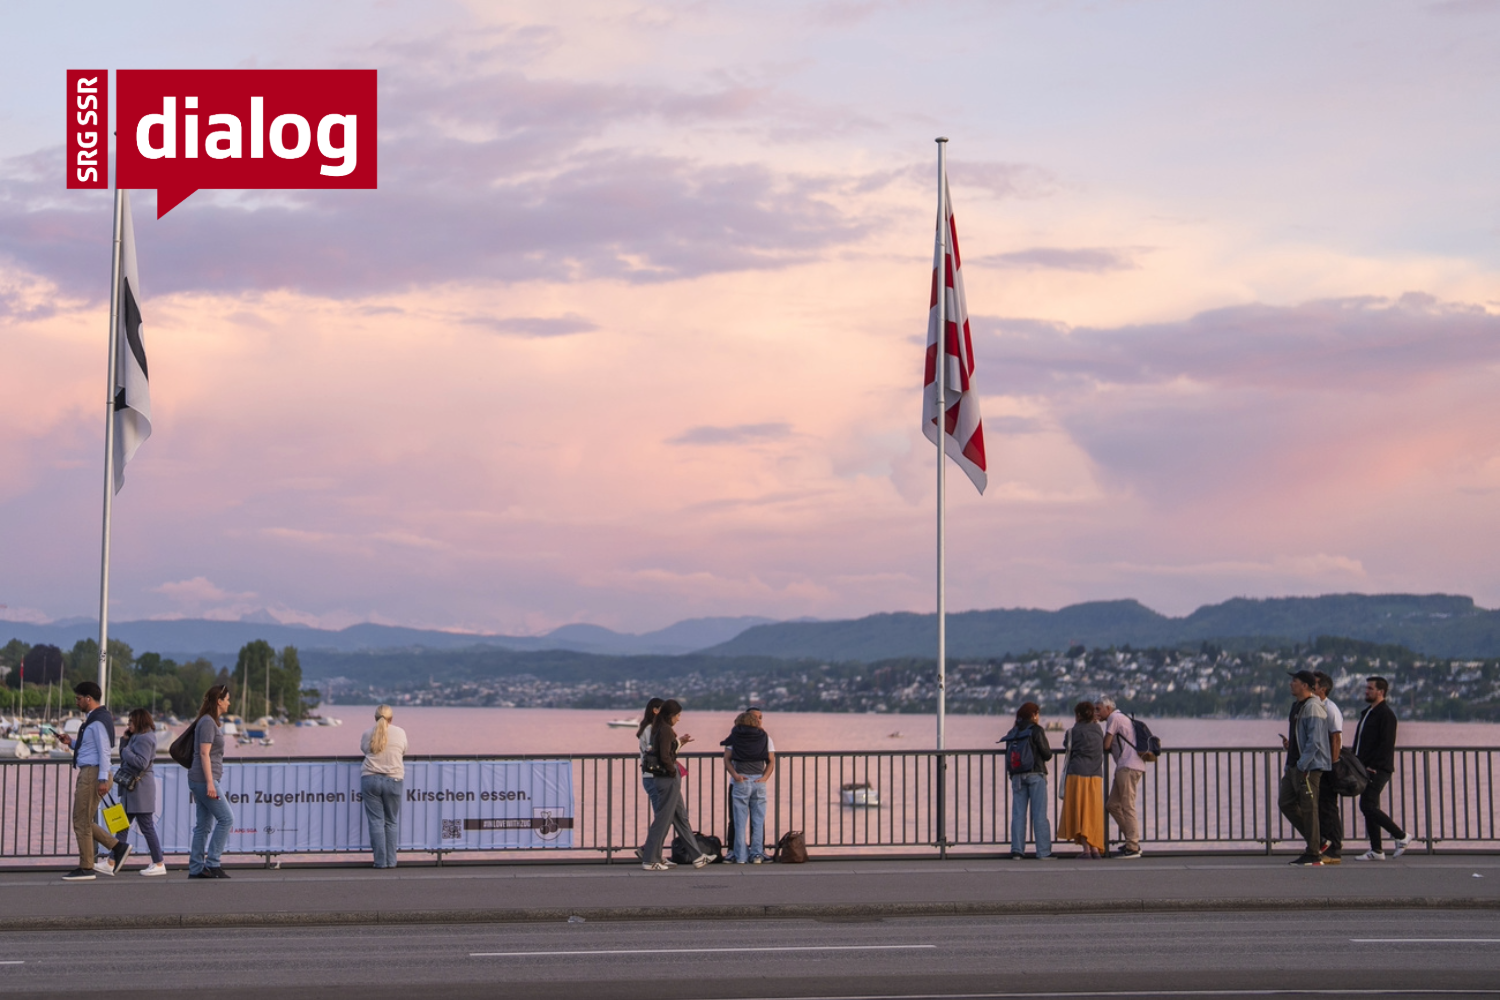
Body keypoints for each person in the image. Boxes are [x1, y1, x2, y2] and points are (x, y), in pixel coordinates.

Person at [57, 681, 130, 881]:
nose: (76, 702)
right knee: (83, 820)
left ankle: (87, 867)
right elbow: (90, 748)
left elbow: (104, 751)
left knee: (80, 820)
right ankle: (117, 847)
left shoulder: (97, 721)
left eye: (79, 698)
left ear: (88, 699)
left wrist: (101, 780)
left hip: (92, 773)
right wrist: (70, 742)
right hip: (92, 772)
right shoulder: (96, 719)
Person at [641, 699, 712, 871]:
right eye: (678, 715)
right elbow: (665, 755)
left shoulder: (660, 728)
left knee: (680, 816)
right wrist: (673, 772)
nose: (679, 719)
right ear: (671, 715)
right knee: (663, 819)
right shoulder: (665, 730)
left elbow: (663, 751)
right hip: (668, 778)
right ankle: (651, 859)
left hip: (664, 777)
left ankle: (697, 857)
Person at [1353, 676, 1411, 860]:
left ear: (1381, 692)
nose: (1366, 691)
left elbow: (1386, 745)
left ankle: (1401, 836)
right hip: (1364, 767)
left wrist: (1374, 767)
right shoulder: (1367, 713)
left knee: (1367, 805)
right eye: (1366, 688)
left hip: (1377, 769)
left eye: (1370, 688)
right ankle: (1377, 850)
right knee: (1370, 805)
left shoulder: (1386, 715)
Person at [1279, 670, 1331, 866]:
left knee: (1309, 809)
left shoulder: (1313, 708)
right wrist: (1290, 751)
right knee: (1285, 802)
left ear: (1306, 686)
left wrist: (1303, 766)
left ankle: (1313, 853)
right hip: (1294, 765)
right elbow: (1300, 738)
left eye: (1295, 681)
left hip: (1307, 768)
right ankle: (1319, 841)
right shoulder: (1297, 707)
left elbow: (1315, 741)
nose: (1291, 683)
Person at [187, 685, 234, 879]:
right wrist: (210, 783)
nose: (229, 702)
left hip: (201, 779)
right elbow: (204, 753)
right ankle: (213, 863)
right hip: (204, 779)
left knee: (204, 825)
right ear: (219, 701)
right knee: (226, 819)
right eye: (227, 699)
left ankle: (196, 868)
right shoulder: (207, 723)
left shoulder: (209, 722)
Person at [721, 707, 776, 864]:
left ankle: (740, 856)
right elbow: (771, 760)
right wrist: (764, 777)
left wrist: (736, 775)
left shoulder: (735, 737)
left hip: (741, 782)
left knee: (739, 821)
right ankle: (757, 854)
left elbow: (727, 759)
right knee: (758, 820)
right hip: (759, 781)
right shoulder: (764, 737)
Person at [1001, 702, 1053, 859]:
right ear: (1034, 714)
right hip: (1036, 774)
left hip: (1017, 776)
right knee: (1039, 815)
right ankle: (1043, 852)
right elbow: (1047, 754)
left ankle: (1017, 850)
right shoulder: (1036, 730)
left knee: (1018, 814)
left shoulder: (1013, 731)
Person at [118, 708, 166, 876]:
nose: (128, 725)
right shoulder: (136, 737)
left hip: (140, 790)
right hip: (134, 790)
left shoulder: (144, 739)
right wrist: (124, 742)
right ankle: (112, 860)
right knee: (122, 825)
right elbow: (125, 756)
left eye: (130, 722)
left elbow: (141, 762)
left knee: (146, 826)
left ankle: (159, 862)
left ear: (138, 722)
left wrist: (125, 750)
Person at [1097, 694, 1145, 859]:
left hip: (1127, 766)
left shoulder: (1114, 718)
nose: (1097, 713)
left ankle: (1132, 846)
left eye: (1099, 709)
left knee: (1127, 805)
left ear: (1108, 709)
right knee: (1112, 805)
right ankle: (1132, 840)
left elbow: (1106, 744)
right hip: (1128, 766)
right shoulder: (1121, 717)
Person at [360, 704, 408, 869]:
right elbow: (403, 750)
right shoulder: (400, 732)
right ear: (391, 718)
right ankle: (392, 861)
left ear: (375, 718)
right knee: (391, 822)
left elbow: (365, 751)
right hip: (394, 779)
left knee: (376, 821)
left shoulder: (367, 733)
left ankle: (380, 862)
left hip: (370, 779)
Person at [1057, 701, 1105, 858]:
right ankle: (1095, 847)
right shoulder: (1098, 730)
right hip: (1096, 775)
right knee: (1093, 811)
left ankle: (1086, 849)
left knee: (1080, 811)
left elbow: (1067, 746)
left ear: (1078, 715)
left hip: (1077, 774)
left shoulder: (1073, 731)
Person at [1312, 671, 1345, 864]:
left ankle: (1334, 849)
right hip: (1318, 765)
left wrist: (1333, 765)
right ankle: (1325, 843)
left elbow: (1336, 738)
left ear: (1322, 689)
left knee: (1329, 808)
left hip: (1327, 765)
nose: (1310, 686)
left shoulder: (1330, 709)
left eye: (1313, 684)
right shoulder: (1315, 707)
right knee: (1320, 806)